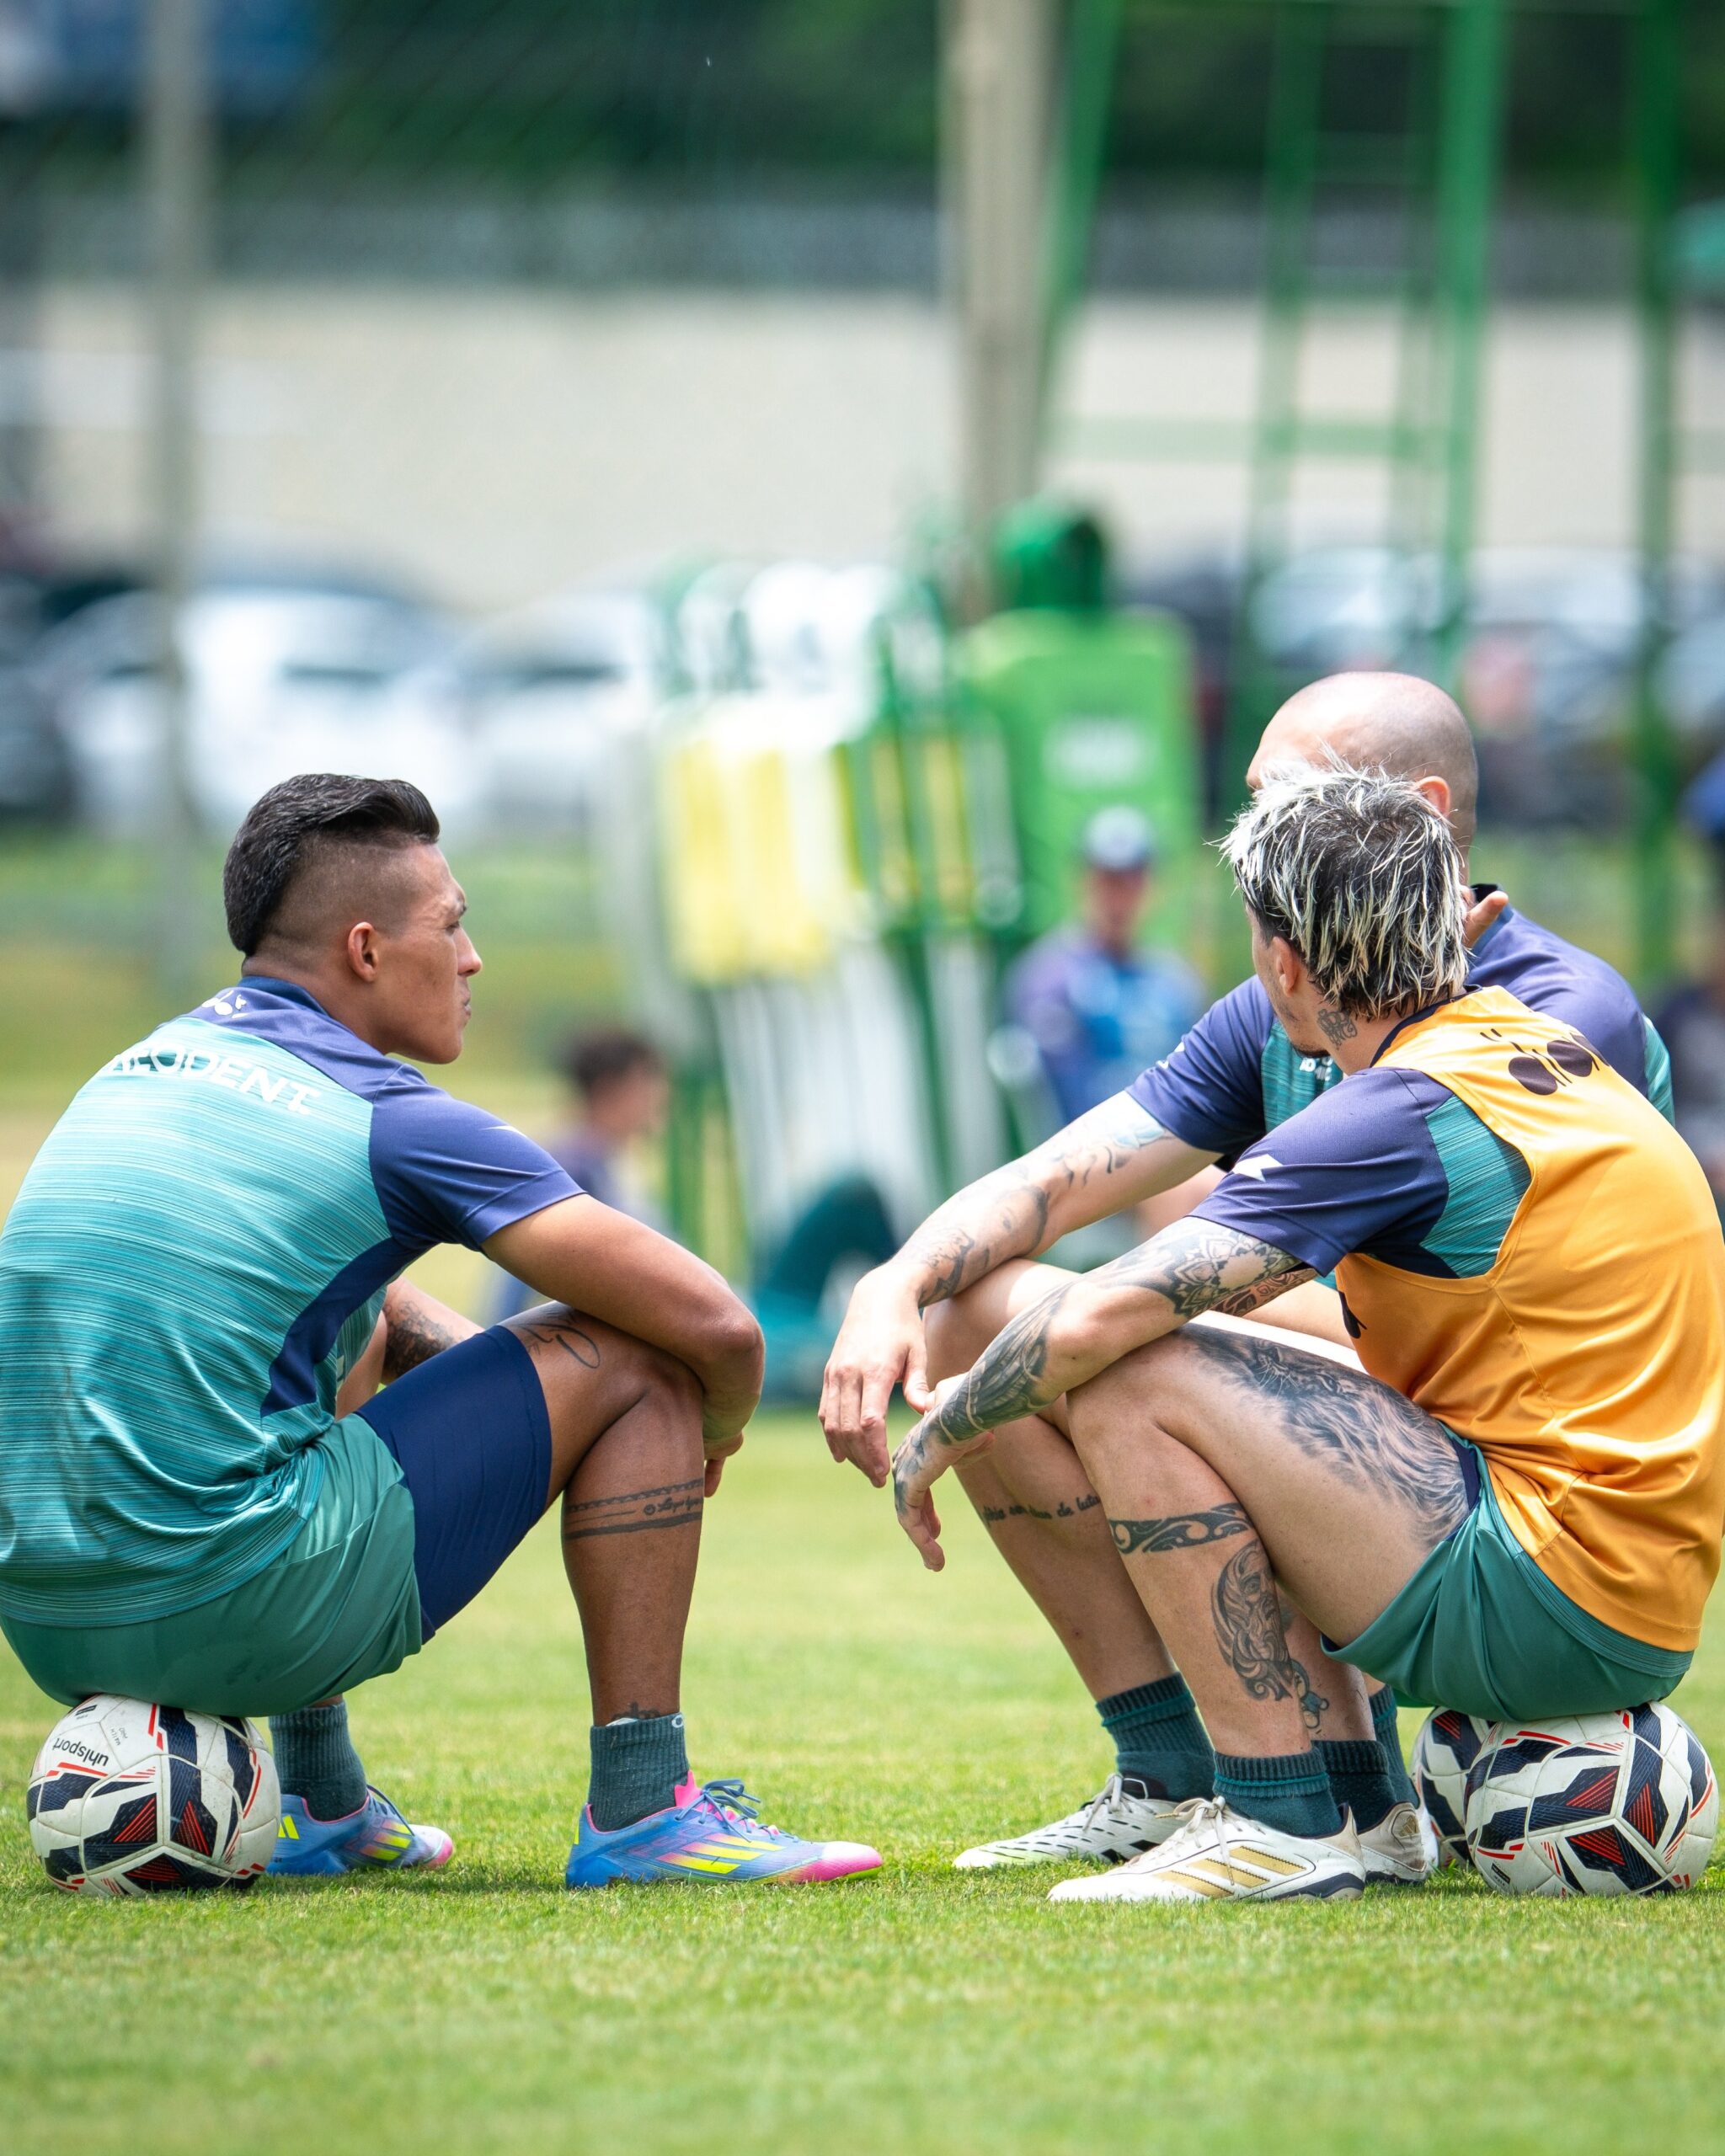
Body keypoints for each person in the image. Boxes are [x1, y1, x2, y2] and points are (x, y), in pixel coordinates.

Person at [821, 671, 1677, 1877]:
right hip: (1532, 1514)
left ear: (1412, 814)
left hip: (1525, 1516)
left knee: (1130, 1356)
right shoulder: (1340, 1021)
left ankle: (1291, 1813)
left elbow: (1146, 1306)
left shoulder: (1507, 1035)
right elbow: (1061, 1179)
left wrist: (946, 1430)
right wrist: (895, 1284)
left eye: (1279, 805)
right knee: (996, 1311)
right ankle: (1189, 1784)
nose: (1252, 839)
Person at [0, 773, 879, 1891]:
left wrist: (514, 1416)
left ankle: (320, 1800)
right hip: (219, 1612)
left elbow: (355, 1319)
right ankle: (648, 1809)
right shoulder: (393, 1120)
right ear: (366, 951)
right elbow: (717, 1326)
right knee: (643, 1352)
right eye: (454, 927)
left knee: (343, 1302)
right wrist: (699, 1430)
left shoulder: (139, 1071)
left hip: (47, 1628)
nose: (471, 960)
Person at [1002, 805, 1204, 1130]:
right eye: (1108, 880)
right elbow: (1061, 1100)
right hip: (1084, 1160)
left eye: (1131, 880)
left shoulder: (1175, 980)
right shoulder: (1049, 978)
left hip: (1172, 1155)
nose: (1119, 897)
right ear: (1084, 880)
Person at [491, 1027, 669, 1321]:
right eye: (647, 1081)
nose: (660, 1094)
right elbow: (513, 1283)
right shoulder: (572, 1165)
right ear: (610, 1088)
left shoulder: (608, 1159)